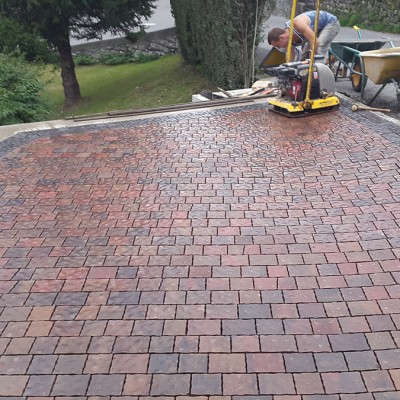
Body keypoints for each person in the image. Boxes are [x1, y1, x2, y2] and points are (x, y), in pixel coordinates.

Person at [267, 10, 340, 62]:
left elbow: (315, 42)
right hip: (314, 31)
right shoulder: (287, 39)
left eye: (278, 46)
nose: (279, 48)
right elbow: (291, 54)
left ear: (281, 37)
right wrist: (288, 68)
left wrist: (312, 61)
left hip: (330, 23)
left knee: (318, 51)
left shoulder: (298, 24)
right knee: (303, 60)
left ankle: (319, 75)